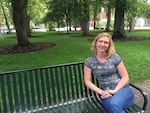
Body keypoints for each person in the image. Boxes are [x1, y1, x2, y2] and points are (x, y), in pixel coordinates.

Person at [84, 32, 134, 113]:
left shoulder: (114, 58)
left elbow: (125, 77)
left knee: (113, 105)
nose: (102, 44)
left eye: (106, 42)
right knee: (113, 107)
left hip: (123, 90)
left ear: (109, 46)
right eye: (100, 41)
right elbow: (87, 81)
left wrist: (115, 91)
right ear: (96, 43)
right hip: (106, 94)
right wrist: (102, 92)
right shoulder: (89, 61)